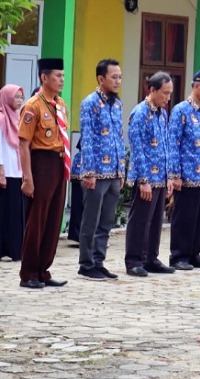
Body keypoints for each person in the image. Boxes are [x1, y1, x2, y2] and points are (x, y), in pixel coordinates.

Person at [18, 58, 70, 289]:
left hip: (59, 164)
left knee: (53, 219)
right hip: (41, 164)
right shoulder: (33, 105)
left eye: (63, 76)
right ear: (44, 77)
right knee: (37, 219)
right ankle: (28, 272)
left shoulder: (61, 105)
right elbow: (23, 144)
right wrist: (28, 178)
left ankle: (43, 270)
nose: (61, 80)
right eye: (57, 76)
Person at [76, 59, 126, 280]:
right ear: (101, 79)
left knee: (106, 221)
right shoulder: (89, 103)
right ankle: (86, 264)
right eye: (114, 77)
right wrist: (88, 172)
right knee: (91, 221)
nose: (118, 81)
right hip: (96, 173)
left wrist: (121, 170)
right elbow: (86, 138)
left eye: (120, 77)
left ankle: (99, 261)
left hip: (114, 173)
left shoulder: (117, 104)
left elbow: (119, 137)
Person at [167, 69, 200, 271]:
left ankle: (194, 254)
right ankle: (179, 255)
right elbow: (173, 143)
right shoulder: (181, 110)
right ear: (196, 86)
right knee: (184, 217)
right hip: (187, 174)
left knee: (199, 217)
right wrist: (175, 174)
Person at [124, 72, 175, 277]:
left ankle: (151, 258)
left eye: (170, 93)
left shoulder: (163, 114)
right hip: (145, 178)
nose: (168, 98)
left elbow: (166, 146)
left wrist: (169, 176)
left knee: (156, 221)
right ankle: (134, 260)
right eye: (164, 93)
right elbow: (137, 150)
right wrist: (143, 181)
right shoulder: (140, 113)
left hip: (161, 177)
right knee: (140, 220)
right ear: (152, 90)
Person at [0, 84, 26, 262]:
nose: (19, 101)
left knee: (16, 213)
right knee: (2, 213)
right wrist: (0, 172)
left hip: (18, 172)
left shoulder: (19, 117)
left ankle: (15, 249)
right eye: (16, 97)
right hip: (5, 172)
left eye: (20, 97)